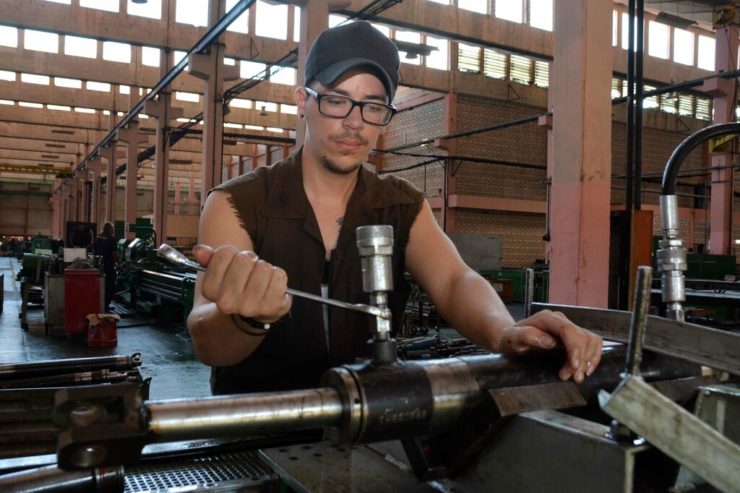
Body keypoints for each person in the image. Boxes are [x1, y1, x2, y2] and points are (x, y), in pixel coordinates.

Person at [188, 21, 603, 395]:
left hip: (367, 424)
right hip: (256, 430)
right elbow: (209, 344)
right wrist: (246, 319)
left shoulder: (401, 205)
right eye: (337, 100)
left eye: (373, 106)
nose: (354, 122)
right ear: (302, 101)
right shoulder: (235, 203)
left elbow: (454, 280)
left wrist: (506, 332)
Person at [93, 222, 119, 309]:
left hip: (98, 265)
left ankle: (98, 303)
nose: (113, 230)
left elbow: (93, 251)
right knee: (109, 286)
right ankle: (106, 305)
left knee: (99, 284)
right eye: (112, 229)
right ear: (110, 229)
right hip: (108, 266)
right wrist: (119, 263)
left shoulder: (97, 238)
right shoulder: (111, 239)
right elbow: (114, 254)